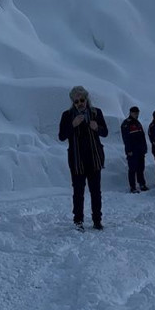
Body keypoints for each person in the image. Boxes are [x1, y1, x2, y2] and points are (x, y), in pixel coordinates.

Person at [59, 85, 108, 230]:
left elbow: (105, 132)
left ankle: (97, 220)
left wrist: (97, 128)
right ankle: (78, 220)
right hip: (77, 160)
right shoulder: (67, 116)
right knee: (78, 192)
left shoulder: (96, 113)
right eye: (76, 101)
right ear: (72, 102)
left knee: (96, 191)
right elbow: (61, 136)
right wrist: (72, 125)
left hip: (94, 158)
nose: (80, 103)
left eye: (82, 100)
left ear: (87, 99)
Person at [121, 106, 149, 193]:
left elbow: (142, 136)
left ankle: (142, 184)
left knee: (141, 168)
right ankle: (132, 187)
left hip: (140, 150)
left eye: (137, 113)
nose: (136, 114)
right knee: (132, 169)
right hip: (132, 151)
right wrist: (129, 150)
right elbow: (126, 138)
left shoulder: (138, 123)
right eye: (135, 113)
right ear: (131, 113)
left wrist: (144, 147)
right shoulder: (126, 123)